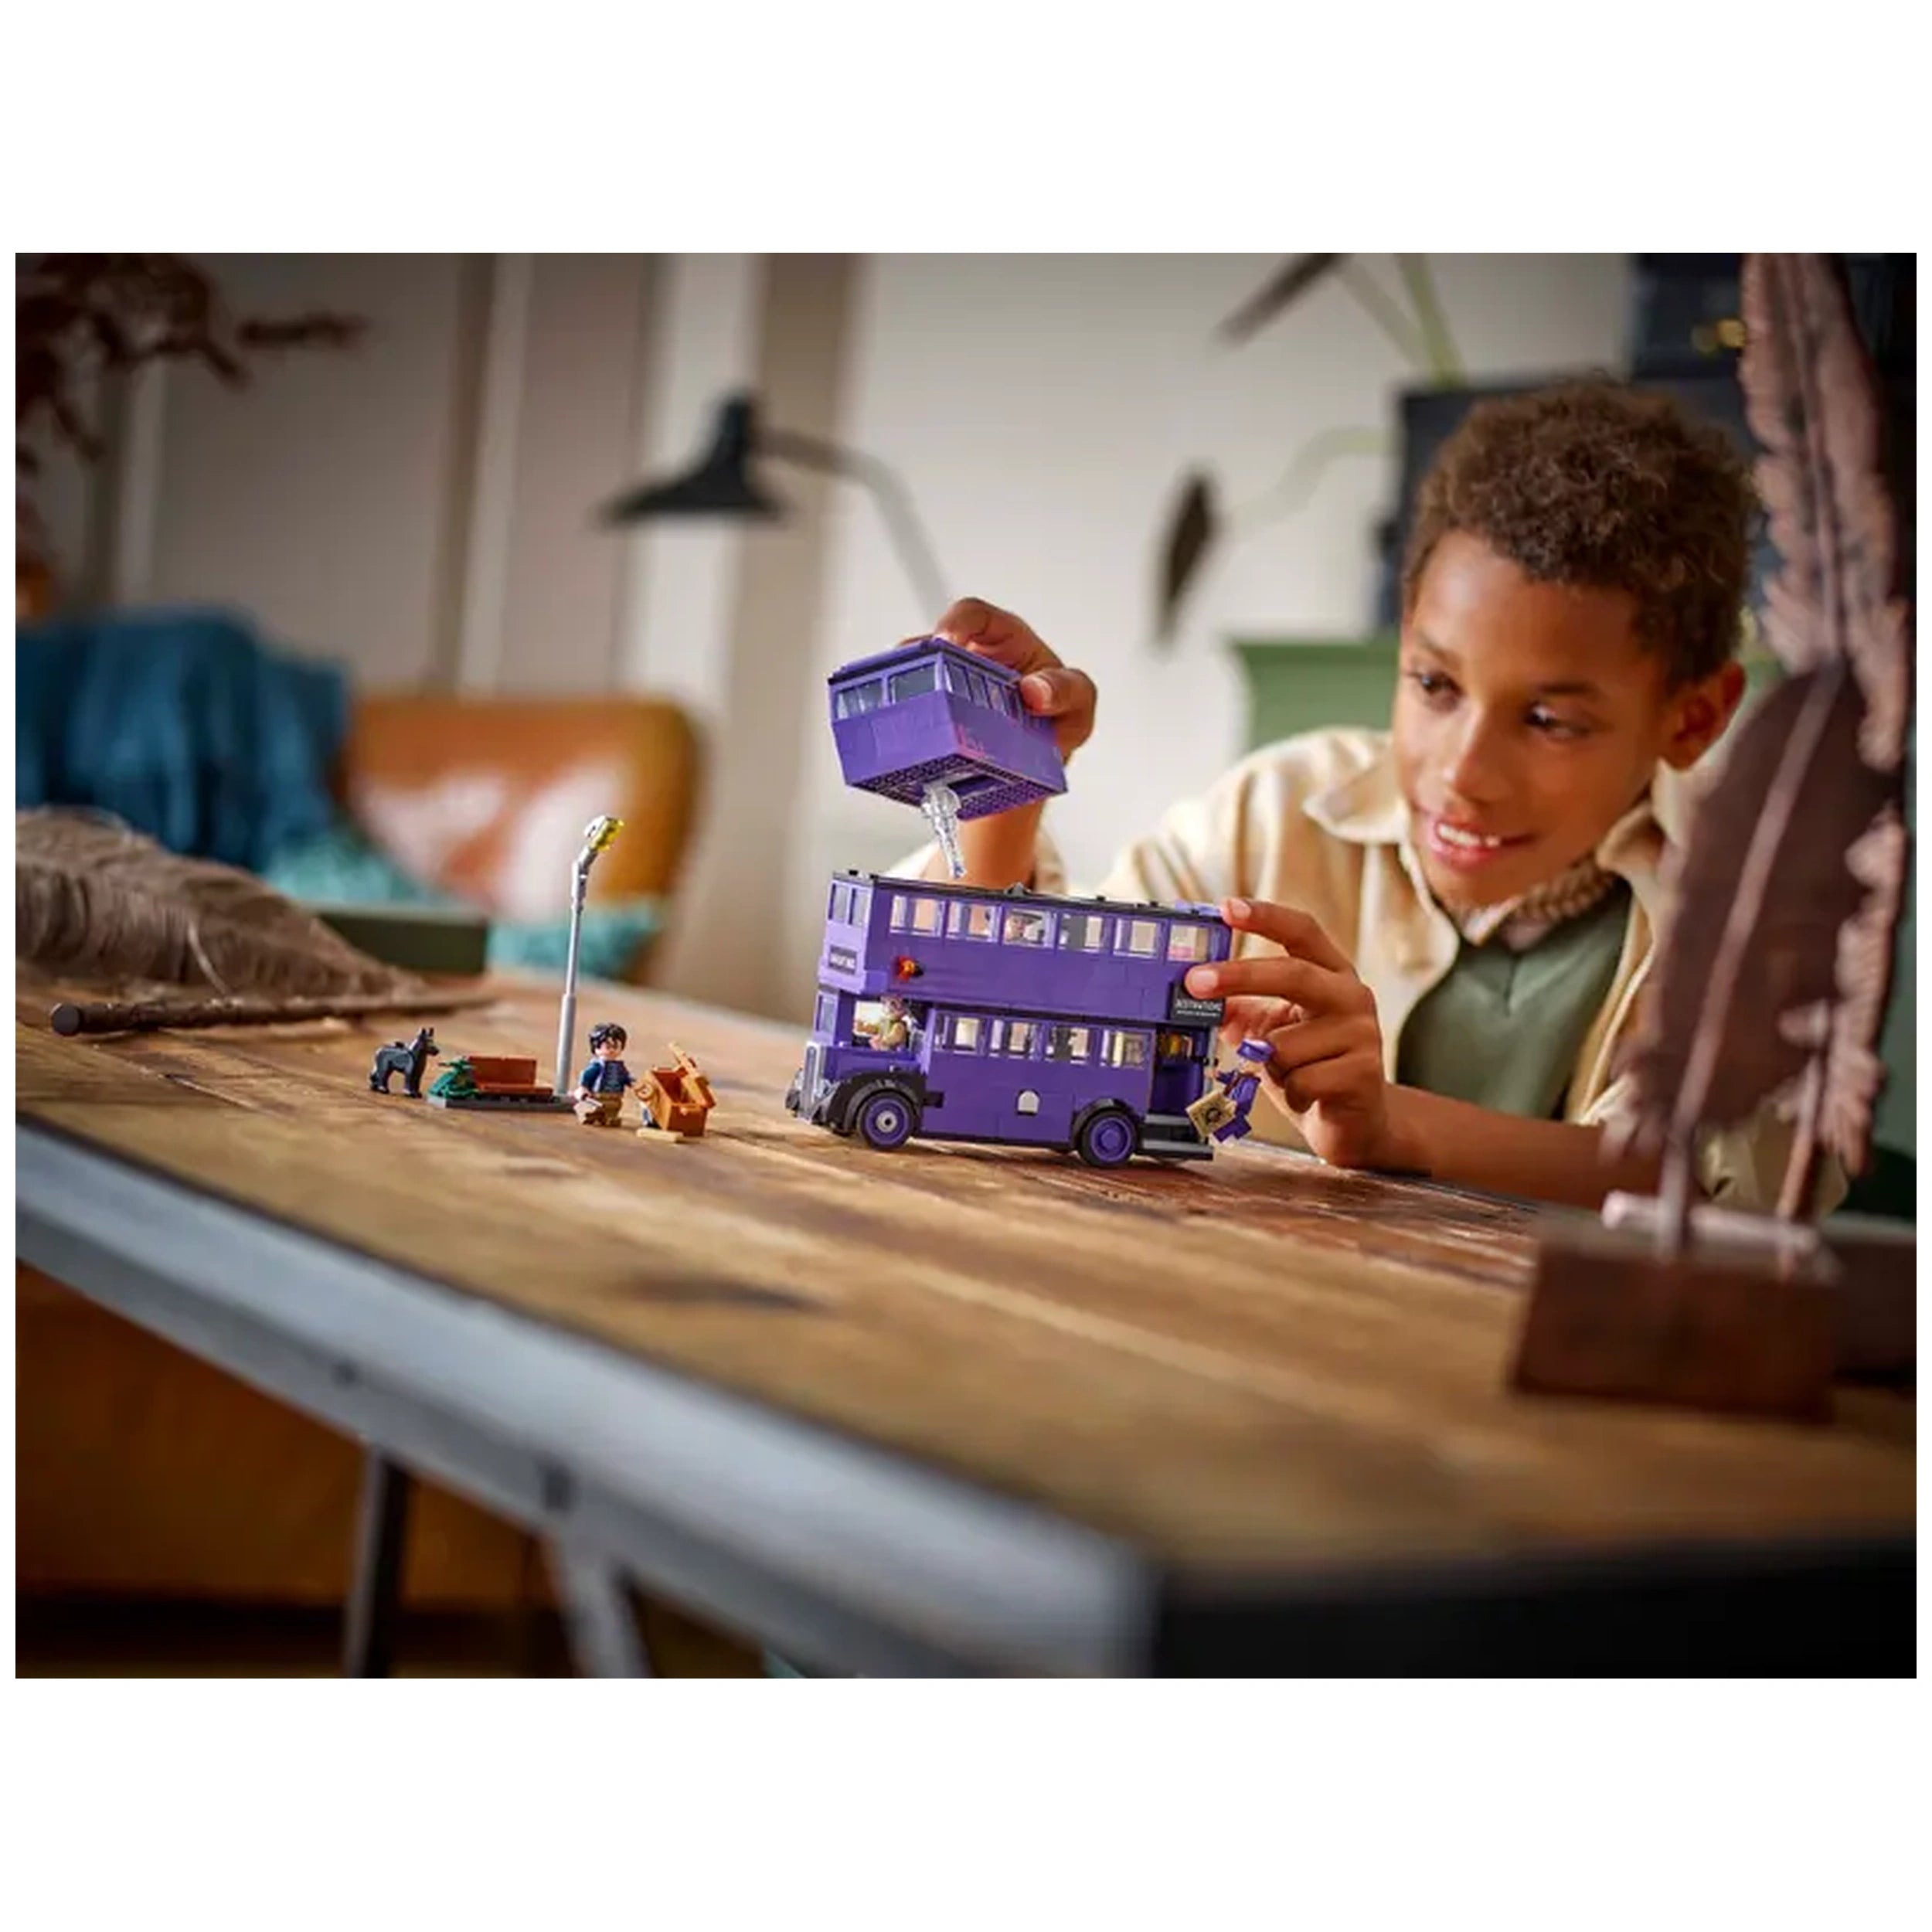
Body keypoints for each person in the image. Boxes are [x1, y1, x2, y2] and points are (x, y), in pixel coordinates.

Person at [896, 381, 1835, 1214]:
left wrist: (1391, 1126)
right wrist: (1009, 777)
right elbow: (1022, 1008)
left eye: (1549, 720)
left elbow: (1719, 1178)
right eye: (1434, 684)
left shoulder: (1753, 900)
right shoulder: (1273, 812)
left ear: (1692, 716)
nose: (1462, 772)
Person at [573, 1020, 636, 1128]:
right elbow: (586, 1075)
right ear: (596, 1047)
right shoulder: (597, 1066)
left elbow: (625, 1077)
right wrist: (583, 1087)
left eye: (615, 1047)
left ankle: (610, 1118)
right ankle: (590, 1116)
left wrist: (632, 1082)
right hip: (599, 1094)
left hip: (616, 1094)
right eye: (608, 1047)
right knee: (596, 1107)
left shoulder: (620, 1067)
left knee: (614, 1107)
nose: (611, 1050)